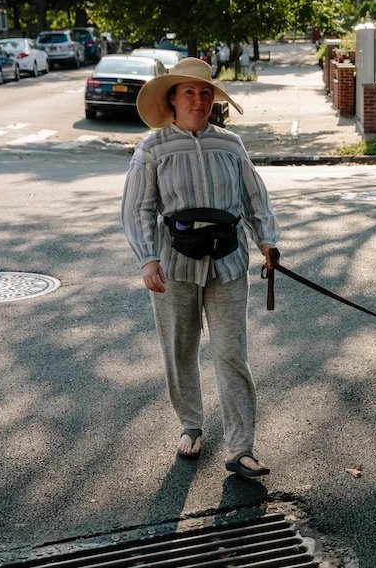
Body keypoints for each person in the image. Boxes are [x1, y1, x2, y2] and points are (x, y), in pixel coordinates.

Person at [121, 57, 281, 478]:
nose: (198, 99)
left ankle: (241, 447)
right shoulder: (152, 149)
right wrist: (147, 258)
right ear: (172, 99)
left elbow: (254, 198)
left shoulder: (230, 144)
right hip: (174, 264)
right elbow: (138, 208)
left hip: (228, 261)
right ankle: (191, 425)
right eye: (188, 92)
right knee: (181, 348)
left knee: (231, 353)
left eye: (205, 92)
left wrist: (267, 241)